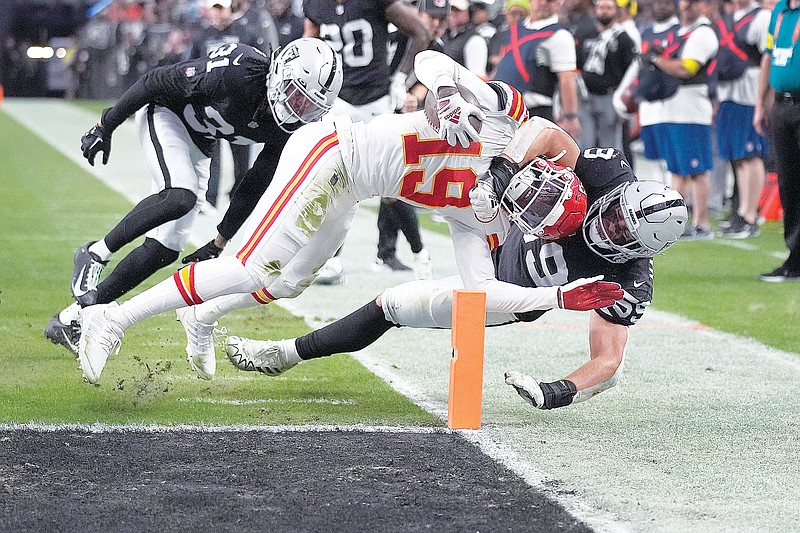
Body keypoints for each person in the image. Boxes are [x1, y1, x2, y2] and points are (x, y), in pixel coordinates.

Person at [74, 50, 624, 385]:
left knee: (287, 282)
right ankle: (112, 319)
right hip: (335, 151)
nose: (526, 198)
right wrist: (447, 99)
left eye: (531, 211)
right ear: (546, 170)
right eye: (538, 190)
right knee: (248, 268)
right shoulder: (511, 126)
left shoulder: (485, 222)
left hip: (353, 188)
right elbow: (432, 68)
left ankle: (202, 317)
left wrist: (554, 299)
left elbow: (479, 298)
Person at [223, 149, 688, 411]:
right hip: (503, 223)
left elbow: (608, 362)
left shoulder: (626, 280)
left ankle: (282, 355)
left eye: (623, 234)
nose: (610, 228)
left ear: (643, 250)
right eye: (616, 217)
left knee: (392, 305)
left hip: (507, 290)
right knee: (437, 172)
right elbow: (546, 134)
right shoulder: (606, 172)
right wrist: (508, 170)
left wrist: (555, 391)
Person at [44, 39, 343, 366]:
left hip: (200, 138)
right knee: (180, 196)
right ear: (281, 72)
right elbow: (153, 80)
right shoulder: (237, 74)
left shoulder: (289, 127)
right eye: (297, 94)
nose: (298, 108)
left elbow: (255, 181)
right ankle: (96, 252)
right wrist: (106, 125)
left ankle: (72, 319)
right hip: (165, 111)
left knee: (164, 250)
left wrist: (219, 241)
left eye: (309, 106)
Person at [304, 0, 434, 284]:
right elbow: (308, 44)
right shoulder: (315, 5)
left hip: (376, 99)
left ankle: (420, 253)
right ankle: (332, 261)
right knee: (333, 180)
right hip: (337, 99)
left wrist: (400, 78)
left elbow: (422, 32)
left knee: (390, 187)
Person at [639, 0, 719, 240]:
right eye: (683, 2)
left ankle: (702, 223)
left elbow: (686, 68)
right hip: (672, 109)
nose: (686, 6)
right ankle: (674, 221)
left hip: (691, 110)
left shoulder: (703, 33)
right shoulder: (680, 33)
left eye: (692, 3)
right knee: (677, 169)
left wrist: (656, 60)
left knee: (697, 169)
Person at [189, 0, 274, 209]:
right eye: (214, 9)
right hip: (211, 107)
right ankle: (209, 199)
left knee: (242, 159)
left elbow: (261, 67)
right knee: (212, 155)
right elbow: (192, 68)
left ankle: (238, 199)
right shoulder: (202, 36)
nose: (217, 14)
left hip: (241, 107)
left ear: (230, 8)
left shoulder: (246, 32)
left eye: (221, 8)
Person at [714, 0, 770, 239]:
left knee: (750, 154)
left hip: (749, 92)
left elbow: (766, 57)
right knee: (738, 156)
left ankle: (750, 214)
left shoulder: (761, 17)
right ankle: (741, 210)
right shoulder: (729, 18)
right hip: (728, 92)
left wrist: (763, 98)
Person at [753, 0, 800, 281]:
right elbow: (769, 55)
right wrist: (761, 103)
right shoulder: (780, 10)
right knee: (788, 182)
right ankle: (795, 257)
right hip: (782, 105)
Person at [492, 0, 582, 139]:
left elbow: (567, 79)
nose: (543, 3)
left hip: (534, 113)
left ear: (557, 4)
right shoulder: (515, 29)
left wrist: (570, 116)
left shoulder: (560, 36)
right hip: (502, 110)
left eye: (550, 1)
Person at [575, 0, 638, 152]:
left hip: (609, 96)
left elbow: (632, 67)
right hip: (585, 96)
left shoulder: (623, 38)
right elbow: (577, 65)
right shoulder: (586, 33)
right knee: (584, 144)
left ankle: (612, 175)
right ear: (595, 10)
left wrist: (621, 94)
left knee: (610, 146)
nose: (604, 11)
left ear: (616, 11)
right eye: (601, 7)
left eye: (609, 8)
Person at [442, 0, 490, 77]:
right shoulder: (446, 35)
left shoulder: (475, 40)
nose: (453, 14)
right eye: (450, 10)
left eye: (458, 11)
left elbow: (478, 77)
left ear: (468, 12)